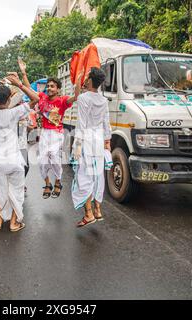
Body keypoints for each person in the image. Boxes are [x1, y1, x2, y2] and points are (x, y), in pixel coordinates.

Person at [0, 73, 39, 232]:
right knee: (17, 191)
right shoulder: (15, 112)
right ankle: (14, 223)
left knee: (0, 190)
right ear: (9, 99)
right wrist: (20, 84)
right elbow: (36, 99)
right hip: (14, 160)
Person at [19, 60, 82, 199]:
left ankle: (58, 182)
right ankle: (47, 184)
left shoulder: (62, 101)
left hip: (57, 133)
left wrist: (77, 82)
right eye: (48, 86)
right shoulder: (42, 97)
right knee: (42, 160)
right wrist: (24, 72)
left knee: (53, 156)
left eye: (52, 86)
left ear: (58, 89)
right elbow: (29, 89)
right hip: (44, 133)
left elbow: (76, 97)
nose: (49, 88)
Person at [71, 67, 111, 228]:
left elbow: (81, 123)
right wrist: (107, 141)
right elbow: (106, 123)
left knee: (84, 177)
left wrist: (77, 146)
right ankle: (98, 210)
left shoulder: (83, 99)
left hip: (86, 139)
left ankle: (88, 214)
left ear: (89, 80)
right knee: (97, 175)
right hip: (98, 139)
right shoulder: (103, 100)